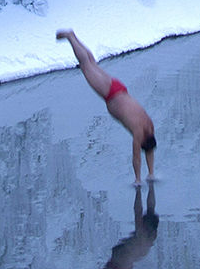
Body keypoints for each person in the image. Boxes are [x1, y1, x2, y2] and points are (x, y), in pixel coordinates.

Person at [56, 29, 156, 184]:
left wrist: (151, 174)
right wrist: (138, 179)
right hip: (110, 93)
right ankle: (70, 37)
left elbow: (149, 151)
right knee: (85, 65)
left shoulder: (150, 127)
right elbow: (136, 157)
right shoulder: (139, 132)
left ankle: (74, 37)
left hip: (119, 88)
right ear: (143, 140)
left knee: (91, 63)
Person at [65, 184, 159, 269]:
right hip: (121, 267)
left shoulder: (145, 236)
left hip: (120, 266)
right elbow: (146, 211)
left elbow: (139, 210)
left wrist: (138, 192)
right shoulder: (147, 240)